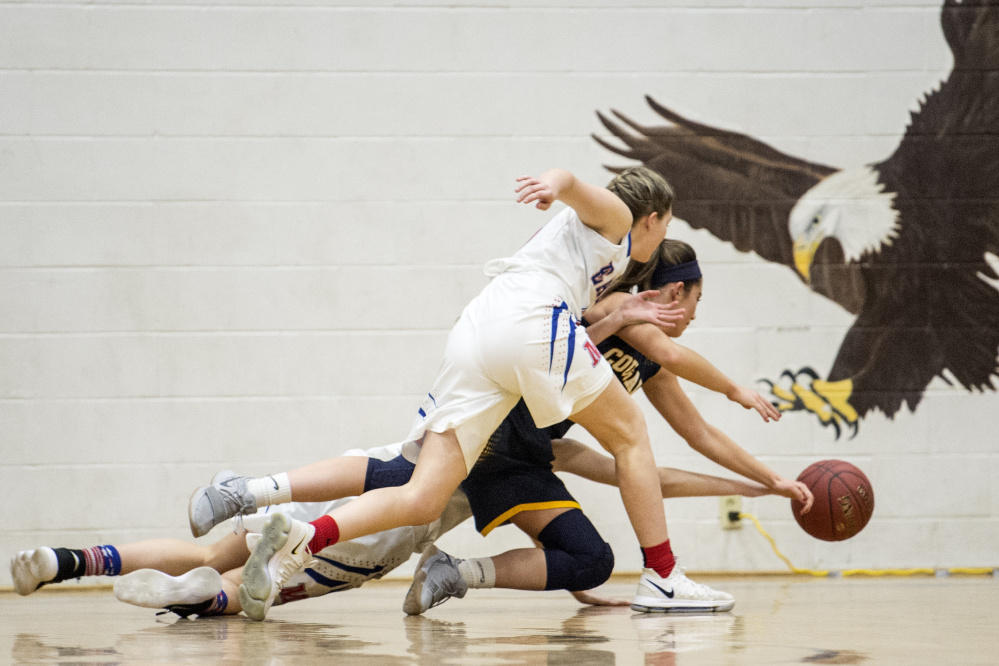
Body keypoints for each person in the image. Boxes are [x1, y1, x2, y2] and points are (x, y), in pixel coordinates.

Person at [236, 166, 787, 620]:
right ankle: (663, 575)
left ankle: (297, 530)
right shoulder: (619, 236)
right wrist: (555, 186)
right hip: (525, 348)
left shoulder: (599, 283)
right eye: (663, 229)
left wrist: (766, 483)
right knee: (628, 437)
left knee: (424, 494)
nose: (658, 243)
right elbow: (577, 187)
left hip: (488, 347)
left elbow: (682, 431)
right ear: (653, 221)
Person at [400, 238, 813, 614]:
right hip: (489, 440)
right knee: (386, 504)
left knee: (590, 562)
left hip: (525, 453)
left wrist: (765, 483)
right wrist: (734, 389)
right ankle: (449, 567)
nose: (694, 315)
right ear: (675, 292)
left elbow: (696, 438)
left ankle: (451, 569)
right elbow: (669, 352)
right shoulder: (614, 304)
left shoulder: (652, 366)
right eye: (697, 300)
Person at [9, 440, 776, 617]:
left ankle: (70, 559)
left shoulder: (455, 415)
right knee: (244, 596)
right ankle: (200, 597)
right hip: (372, 539)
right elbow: (631, 479)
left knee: (208, 549)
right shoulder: (534, 450)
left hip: (347, 493)